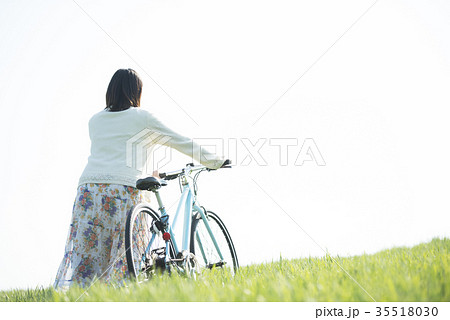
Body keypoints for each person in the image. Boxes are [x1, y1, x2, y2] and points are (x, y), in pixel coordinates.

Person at [54, 68, 226, 288]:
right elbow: (179, 141)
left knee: (86, 254)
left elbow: (116, 152)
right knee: (127, 255)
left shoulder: (94, 121)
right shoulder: (142, 117)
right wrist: (213, 161)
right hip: (124, 191)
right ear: (136, 92)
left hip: (89, 191)